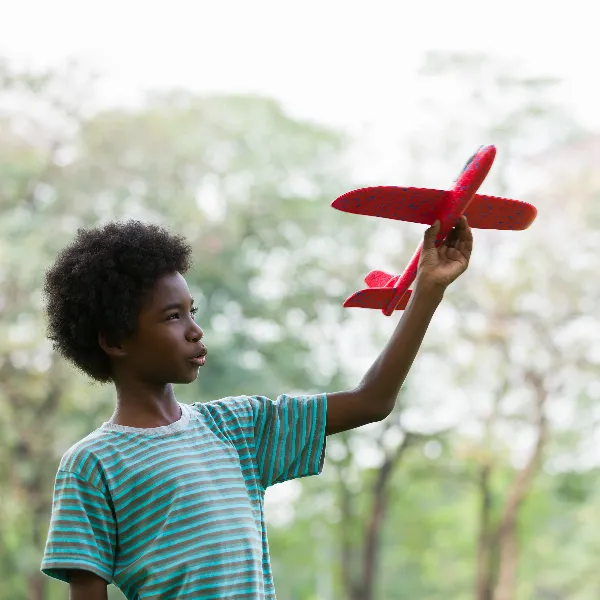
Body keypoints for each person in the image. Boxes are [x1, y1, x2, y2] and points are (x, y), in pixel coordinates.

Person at [40, 216, 472, 599]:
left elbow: (372, 401)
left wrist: (429, 288)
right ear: (114, 340)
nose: (195, 330)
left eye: (192, 312)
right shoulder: (91, 466)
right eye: (172, 316)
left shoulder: (236, 427)